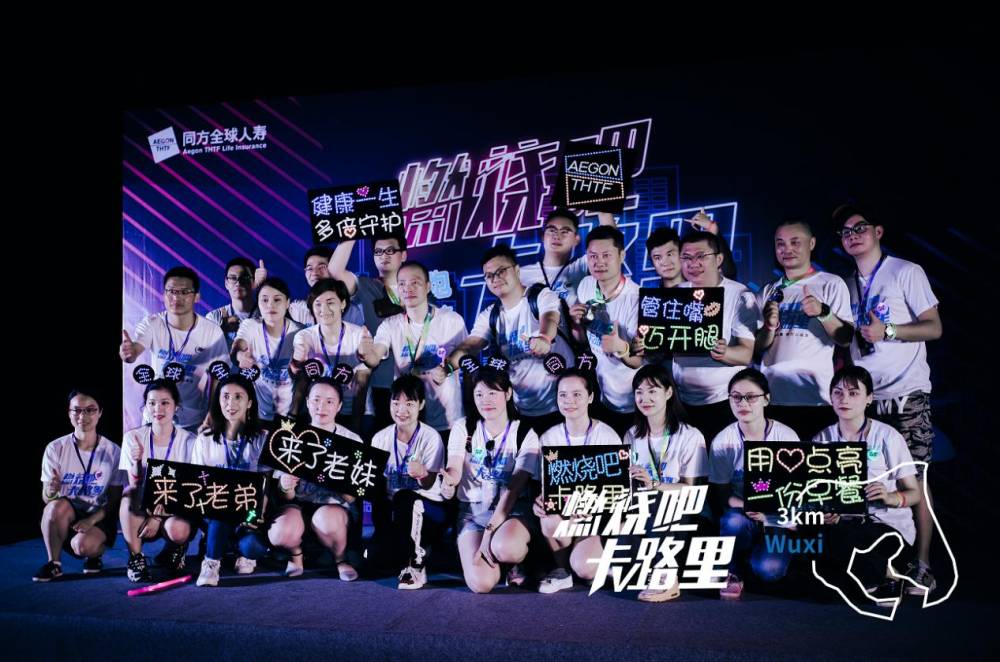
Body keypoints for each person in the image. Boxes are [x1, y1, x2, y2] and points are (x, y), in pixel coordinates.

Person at [835, 203, 943, 595]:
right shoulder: (846, 284)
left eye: (859, 228)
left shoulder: (906, 271)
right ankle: (883, 565)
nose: (852, 236)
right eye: (845, 232)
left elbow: (934, 327)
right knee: (867, 481)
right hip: (868, 399)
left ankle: (923, 565)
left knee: (915, 480)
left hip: (906, 394)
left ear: (878, 231)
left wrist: (890, 331)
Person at [812, 366, 922, 599]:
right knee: (825, 539)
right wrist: (825, 511)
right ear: (830, 397)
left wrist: (891, 497)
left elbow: (915, 493)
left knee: (842, 542)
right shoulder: (822, 439)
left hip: (887, 527)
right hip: (844, 526)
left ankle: (886, 577)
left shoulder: (887, 436)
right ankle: (885, 577)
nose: (844, 399)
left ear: (869, 398)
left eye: (853, 393)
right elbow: (814, 493)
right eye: (838, 392)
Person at [446, 245, 573, 434]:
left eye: (501, 271)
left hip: (562, 406)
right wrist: (448, 366)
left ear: (517, 270)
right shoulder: (491, 315)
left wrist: (544, 338)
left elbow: (550, 317)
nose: (495, 279)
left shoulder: (540, 296)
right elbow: (471, 345)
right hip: (522, 409)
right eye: (489, 276)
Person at [442, 368, 541, 593]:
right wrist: (449, 480)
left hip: (511, 511)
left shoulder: (524, 434)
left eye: (492, 393)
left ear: (508, 394)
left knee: (507, 548)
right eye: (479, 394)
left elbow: (513, 490)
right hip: (472, 511)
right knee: (481, 584)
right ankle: (500, 566)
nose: (485, 400)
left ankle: (516, 560)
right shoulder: (463, 427)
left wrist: (489, 531)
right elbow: (454, 467)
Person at [754, 220, 853, 440]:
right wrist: (769, 326)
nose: (787, 249)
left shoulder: (831, 283)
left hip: (817, 398)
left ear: (812, 243)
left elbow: (845, 338)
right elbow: (757, 346)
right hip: (772, 399)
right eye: (780, 243)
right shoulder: (768, 291)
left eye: (795, 242)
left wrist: (823, 312)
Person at [708, 368, 799, 599]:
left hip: (777, 518)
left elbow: (797, 492)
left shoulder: (786, 437)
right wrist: (747, 505)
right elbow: (722, 493)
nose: (743, 403)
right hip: (742, 513)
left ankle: (761, 555)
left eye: (751, 397)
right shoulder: (723, 441)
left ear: (766, 399)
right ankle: (733, 570)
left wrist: (769, 515)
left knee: (770, 570)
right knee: (732, 521)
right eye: (736, 397)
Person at [623, 364, 709, 602]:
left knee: (663, 503)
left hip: (682, 506)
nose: (645, 398)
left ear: (669, 392)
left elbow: (691, 490)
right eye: (639, 392)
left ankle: (667, 578)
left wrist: (654, 485)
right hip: (643, 506)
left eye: (653, 391)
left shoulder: (690, 435)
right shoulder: (632, 435)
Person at [534, 369, 622, 593]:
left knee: (585, 569)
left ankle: (589, 563)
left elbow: (617, 493)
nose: (569, 401)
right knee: (548, 520)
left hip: (595, 518)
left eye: (577, 394)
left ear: (590, 397)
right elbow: (545, 487)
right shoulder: (549, 437)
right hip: (564, 516)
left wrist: (591, 507)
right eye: (562, 395)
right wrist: (540, 502)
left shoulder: (607, 436)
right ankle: (563, 571)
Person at [268, 378, 364, 581]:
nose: (322, 407)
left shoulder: (352, 441)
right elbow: (285, 496)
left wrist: (338, 480)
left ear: (339, 406)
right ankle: (296, 555)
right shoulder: (291, 436)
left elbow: (354, 497)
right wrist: (286, 486)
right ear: (307, 402)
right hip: (300, 506)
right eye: (316, 400)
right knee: (278, 532)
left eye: (329, 401)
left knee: (325, 519)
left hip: (335, 509)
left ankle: (340, 558)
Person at [670, 231, 761, 443]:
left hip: (724, 402)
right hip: (682, 402)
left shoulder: (740, 295)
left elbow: (746, 354)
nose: (693, 263)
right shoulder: (676, 293)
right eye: (686, 257)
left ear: (718, 259)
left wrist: (724, 352)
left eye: (701, 256)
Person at [361, 260, 468, 435]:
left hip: (447, 421)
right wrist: (365, 353)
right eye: (402, 284)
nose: (408, 289)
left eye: (415, 282)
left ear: (428, 287)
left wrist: (447, 368)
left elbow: (466, 357)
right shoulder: (390, 325)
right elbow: (374, 357)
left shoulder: (451, 320)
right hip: (408, 421)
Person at [120, 266, 229, 432]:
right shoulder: (153, 323)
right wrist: (130, 352)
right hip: (156, 415)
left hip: (192, 418)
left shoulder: (211, 331)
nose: (176, 297)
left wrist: (213, 411)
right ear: (164, 294)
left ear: (197, 297)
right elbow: (135, 349)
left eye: (184, 292)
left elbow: (218, 376)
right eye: (171, 291)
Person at [35, 389, 125, 581]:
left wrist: (91, 521)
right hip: (67, 513)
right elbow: (47, 499)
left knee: (83, 546)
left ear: (100, 412)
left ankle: (94, 555)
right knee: (53, 508)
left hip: (98, 515)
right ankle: (54, 563)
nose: (82, 416)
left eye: (90, 410)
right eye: (76, 410)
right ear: (69, 413)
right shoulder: (55, 448)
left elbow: (115, 499)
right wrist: (51, 491)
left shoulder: (113, 451)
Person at [369, 375, 448, 589]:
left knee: (405, 497)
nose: (401, 410)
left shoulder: (431, 438)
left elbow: (429, 484)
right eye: (396, 403)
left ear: (421, 405)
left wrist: (422, 473)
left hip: (430, 509)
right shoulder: (380, 438)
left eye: (409, 404)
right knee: (376, 560)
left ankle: (416, 565)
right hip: (396, 510)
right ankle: (409, 548)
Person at [191, 374, 269, 587]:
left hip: (248, 513)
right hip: (213, 510)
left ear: (249, 402)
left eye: (238, 397)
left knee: (253, 547)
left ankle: (234, 548)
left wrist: (256, 515)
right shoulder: (205, 439)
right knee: (222, 510)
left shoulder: (262, 438)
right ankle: (211, 563)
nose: (230, 403)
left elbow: (266, 485)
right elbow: (198, 484)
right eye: (225, 396)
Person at [328, 234, 408, 433]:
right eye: (378, 252)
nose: (384, 255)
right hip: (383, 380)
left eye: (390, 250)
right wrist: (351, 234)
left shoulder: (417, 287)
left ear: (403, 255)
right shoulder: (367, 286)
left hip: (417, 379)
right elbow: (335, 271)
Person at [119, 379, 198, 581]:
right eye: (152, 403)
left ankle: (175, 548)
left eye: (165, 403)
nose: (158, 409)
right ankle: (136, 558)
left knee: (178, 529)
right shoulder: (133, 437)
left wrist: (156, 517)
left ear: (176, 406)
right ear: (145, 406)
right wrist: (137, 461)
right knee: (127, 495)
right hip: (144, 503)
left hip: (177, 507)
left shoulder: (189, 440)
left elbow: (190, 490)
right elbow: (135, 485)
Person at [568, 226, 643, 436]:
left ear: (621, 255)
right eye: (593, 256)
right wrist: (576, 323)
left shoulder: (636, 298)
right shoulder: (586, 285)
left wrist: (621, 347)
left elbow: (639, 360)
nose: (599, 262)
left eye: (606, 255)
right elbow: (582, 340)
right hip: (602, 396)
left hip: (635, 400)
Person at [291, 278, 372, 429]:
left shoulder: (359, 335)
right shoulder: (304, 336)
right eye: (318, 304)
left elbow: (361, 385)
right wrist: (297, 362)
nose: (324, 309)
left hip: (350, 413)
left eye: (330, 302)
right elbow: (300, 378)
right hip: (316, 412)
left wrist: (355, 428)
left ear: (343, 303)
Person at [232, 277, 303, 422]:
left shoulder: (299, 332)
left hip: (290, 415)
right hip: (257, 414)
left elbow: (304, 379)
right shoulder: (250, 325)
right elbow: (238, 345)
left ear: (287, 303)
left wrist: (294, 413)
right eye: (264, 300)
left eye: (277, 300)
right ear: (258, 302)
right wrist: (240, 356)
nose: (270, 305)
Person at [285, 246, 365, 327]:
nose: (315, 273)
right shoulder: (298, 309)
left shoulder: (352, 303)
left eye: (322, 267)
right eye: (310, 268)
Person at [205, 257, 263, 348]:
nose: (238, 283)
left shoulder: (267, 314)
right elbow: (204, 352)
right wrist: (222, 331)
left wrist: (264, 288)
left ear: (254, 282)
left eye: (244, 277)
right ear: (226, 283)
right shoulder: (214, 318)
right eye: (233, 278)